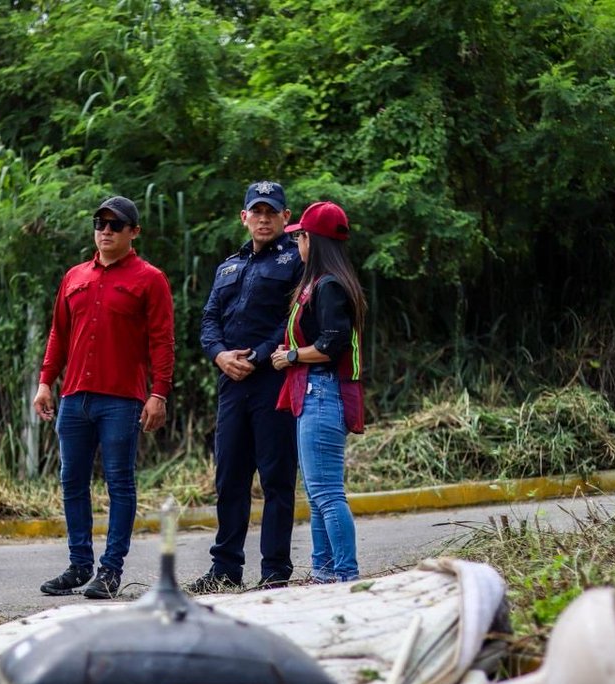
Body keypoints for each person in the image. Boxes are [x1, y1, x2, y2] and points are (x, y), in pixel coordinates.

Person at [33, 195, 175, 599]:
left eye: (116, 225)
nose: (106, 231)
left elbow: (162, 341)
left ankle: (110, 570)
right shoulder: (75, 276)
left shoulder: (150, 279)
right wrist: (46, 382)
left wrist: (159, 393)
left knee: (119, 483)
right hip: (74, 397)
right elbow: (59, 333)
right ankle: (79, 566)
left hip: (121, 400)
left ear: (134, 232)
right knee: (72, 482)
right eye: (100, 223)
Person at [192, 181, 304, 592]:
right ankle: (225, 569)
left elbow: (294, 318)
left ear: (285, 218)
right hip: (231, 383)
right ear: (244, 217)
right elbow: (208, 320)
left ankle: (275, 570)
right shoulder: (227, 266)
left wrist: (255, 356)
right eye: (256, 212)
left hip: (272, 380)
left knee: (276, 478)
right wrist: (220, 355)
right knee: (230, 478)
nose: (263, 218)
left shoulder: (296, 261)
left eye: (271, 212)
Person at [271, 201, 367, 583]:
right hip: (315, 392)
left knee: (326, 493)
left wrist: (291, 355)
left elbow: (333, 343)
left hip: (322, 392)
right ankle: (324, 573)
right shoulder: (328, 281)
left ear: (314, 239)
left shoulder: (328, 285)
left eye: (300, 235)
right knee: (316, 496)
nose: (297, 242)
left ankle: (344, 575)